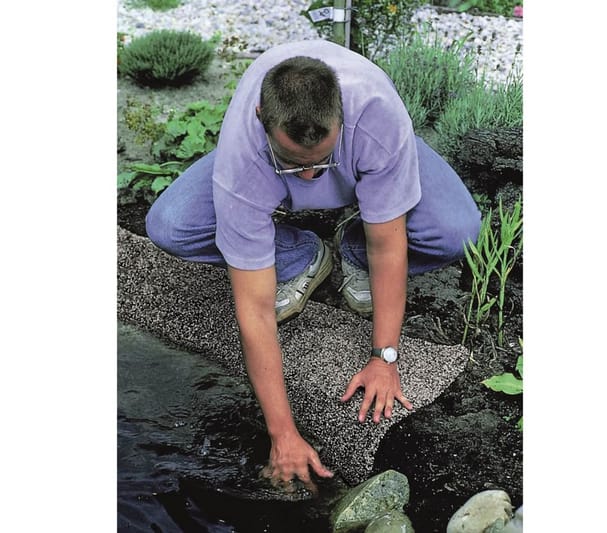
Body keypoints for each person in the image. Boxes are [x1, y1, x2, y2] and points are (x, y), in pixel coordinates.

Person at [145, 39, 481, 492]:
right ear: (263, 119)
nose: (308, 177)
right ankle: (299, 255)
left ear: (342, 116)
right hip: (261, 168)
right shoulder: (244, 153)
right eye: (293, 164)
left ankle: (350, 249)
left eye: (320, 161)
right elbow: (255, 310)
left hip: (368, 152)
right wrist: (282, 434)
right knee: (170, 227)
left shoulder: (377, 117)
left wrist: (385, 357)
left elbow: (390, 246)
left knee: (456, 231)